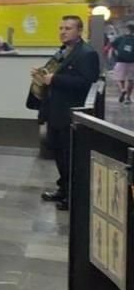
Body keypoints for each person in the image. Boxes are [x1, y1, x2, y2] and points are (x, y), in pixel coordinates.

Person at [36, 16, 100, 210]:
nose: (63, 31)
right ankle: (63, 189)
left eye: (68, 28)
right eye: (61, 28)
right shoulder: (62, 51)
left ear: (79, 31)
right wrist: (41, 74)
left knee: (69, 157)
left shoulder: (87, 53)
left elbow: (87, 81)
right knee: (59, 153)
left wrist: (54, 79)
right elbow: (54, 73)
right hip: (55, 110)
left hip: (69, 113)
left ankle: (72, 196)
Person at [110, 23, 134, 103]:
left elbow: (112, 46)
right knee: (131, 80)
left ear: (126, 29)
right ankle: (128, 98)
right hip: (132, 62)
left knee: (119, 78)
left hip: (120, 61)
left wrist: (114, 53)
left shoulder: (120, 38)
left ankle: (122, 90)